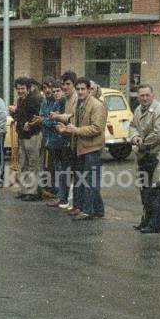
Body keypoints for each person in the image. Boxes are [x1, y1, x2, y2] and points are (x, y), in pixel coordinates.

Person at [58, 78, 107, 220]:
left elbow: (97, 128)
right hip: (79, 148)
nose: (80, 91)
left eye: (82, 89)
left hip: (92, 148)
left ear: (89, 90)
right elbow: (72, 120)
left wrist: (76, 130)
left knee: (90, 182)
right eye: (78, 89)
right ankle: (93, 209)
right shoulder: (79, 103)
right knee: (82, 180)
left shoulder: (97, 105)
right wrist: (64, 128)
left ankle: (88, 211)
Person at [130, 84, 160, 234]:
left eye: (147, 95)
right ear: (138, 97)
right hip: (145, 156)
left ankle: (155, 225)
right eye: (141, 95)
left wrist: (141, 143)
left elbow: (158, 135)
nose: (144, 98)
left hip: (159, 156)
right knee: (145, 190)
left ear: (153, 95)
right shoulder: (138, 110)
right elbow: (132, 126)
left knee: (156, 190)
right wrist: (135, 136)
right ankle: (146, 221)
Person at [9, 77, 42, 201]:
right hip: (22, 136)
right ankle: (24, 190)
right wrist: (14, 112)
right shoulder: (20, 100)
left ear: (28, 88)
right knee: (23, 164)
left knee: (33, 164)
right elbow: (19, 116)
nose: (20, 91)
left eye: (22, 88)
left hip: (33, 136)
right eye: (18, 89)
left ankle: (32, 192)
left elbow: (38, 118)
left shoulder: (34, 99)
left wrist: (30, 124)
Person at [49, 70, 78, 209]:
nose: (65, 87)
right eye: (63, 84)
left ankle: (75, 204)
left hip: (76, 142)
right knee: (64, 171)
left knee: (76, 174)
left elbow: (71, 117)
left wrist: (57, 117)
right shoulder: (66, 99)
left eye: (68, 84)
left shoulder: (77, 99)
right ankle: (63, 199)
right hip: (67, 140)